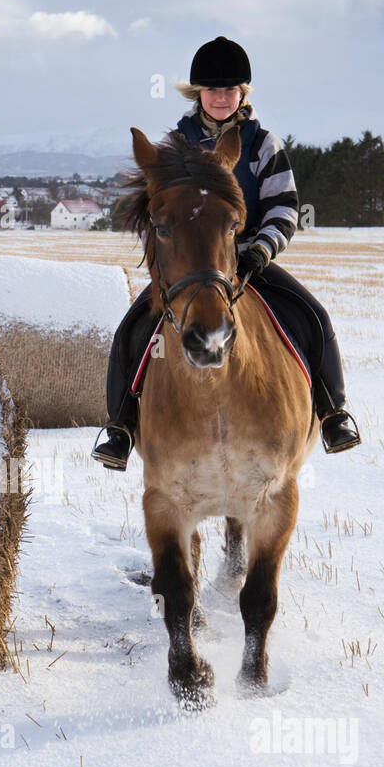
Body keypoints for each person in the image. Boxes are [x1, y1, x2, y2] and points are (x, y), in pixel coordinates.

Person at [92, 36, 361, 469]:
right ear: (197, 94)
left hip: (248, 261)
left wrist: (260, 252)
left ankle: (333, 412)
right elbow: (155, 210)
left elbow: (284, 208)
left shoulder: (262, 144)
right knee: (131, 331)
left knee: (314, 316)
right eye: (213, 90)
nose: (221, 97)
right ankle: (120, 427)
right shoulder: (174, 147)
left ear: (243, 94)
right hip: (189, 267)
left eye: (230, 89)